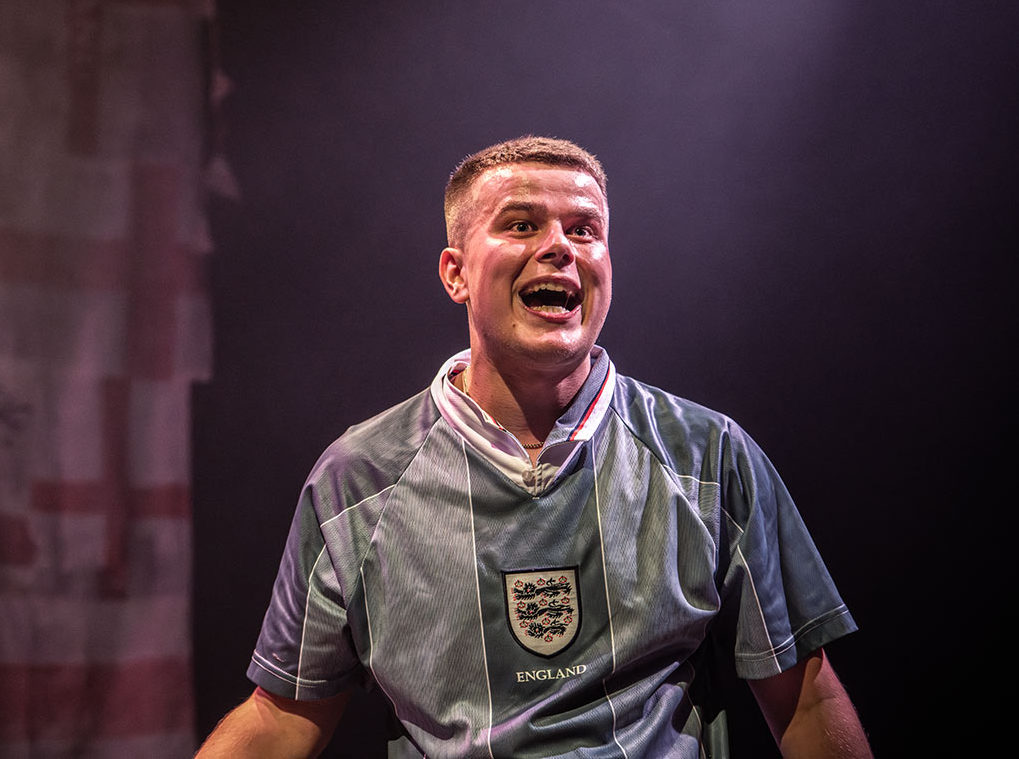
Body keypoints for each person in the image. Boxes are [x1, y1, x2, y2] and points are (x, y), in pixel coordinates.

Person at [196, 136, 871, 758]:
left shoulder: (709, 456)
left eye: (584, 230)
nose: (561, 247)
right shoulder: (359, 478)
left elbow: (806, 696)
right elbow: (282, 716)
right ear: (455, 273)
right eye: (522, 225)